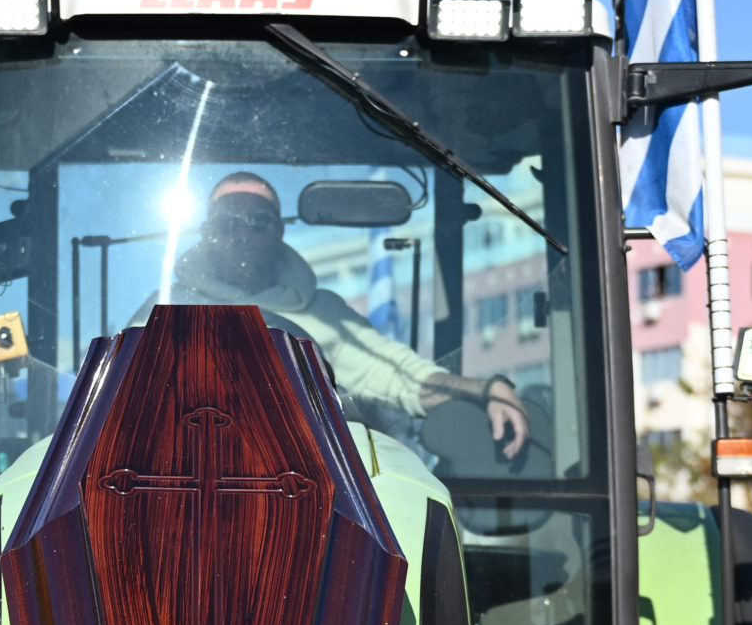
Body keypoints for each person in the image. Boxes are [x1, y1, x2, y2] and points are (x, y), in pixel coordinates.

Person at [148, 173, 531, 461]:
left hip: (305, 490)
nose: (241, 234)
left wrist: (485, 391)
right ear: (207, 232)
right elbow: (117, 395)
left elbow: (401, 376)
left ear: (279, 230)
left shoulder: (323, 314)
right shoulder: (163, 309)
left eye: (257, 222)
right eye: (227, 222)